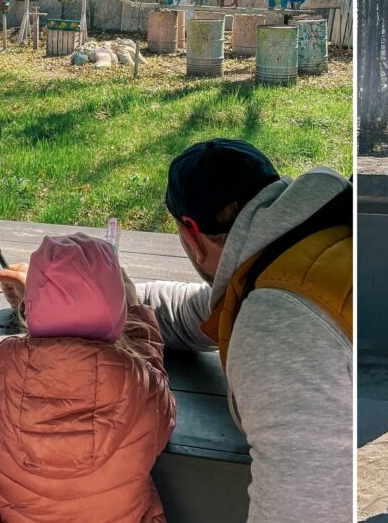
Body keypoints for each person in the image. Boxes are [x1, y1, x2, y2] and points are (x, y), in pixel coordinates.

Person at [142, 139, 352, 523]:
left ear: (191, 234)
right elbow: (192, 313)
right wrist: (98, 292)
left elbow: (302, 510)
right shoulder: (301, 248)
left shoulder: (278, 328)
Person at [0, 234, 175, 523]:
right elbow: (163, 412)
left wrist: (36, 303)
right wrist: (137, 316)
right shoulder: (140, 387)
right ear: (118, 312)